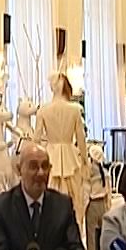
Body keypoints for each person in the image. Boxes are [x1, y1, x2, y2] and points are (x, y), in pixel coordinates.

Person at [34, 72, 88, 227]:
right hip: (70, 157)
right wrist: (85, 161)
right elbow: (81, 139)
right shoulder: (74, 109)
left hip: (51, 155)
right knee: (74, 199)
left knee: (49, 197)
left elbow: (36, 140)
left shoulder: (43, 110)